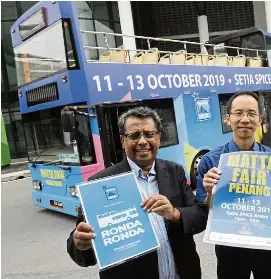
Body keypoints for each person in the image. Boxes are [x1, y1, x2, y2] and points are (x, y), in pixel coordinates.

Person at [67, 107, 208, 279]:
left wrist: (175, 213)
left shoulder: (174, 171)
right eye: (134, 135)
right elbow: (83, 246)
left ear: (158, 137)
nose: (142, 141)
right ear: (122, 141)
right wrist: (80, 242)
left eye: (149, 134)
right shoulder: (99, 184)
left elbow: (199, 217)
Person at [196, 92, 271, 279]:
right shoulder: (211, 161)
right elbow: (204, 210)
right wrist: (209, 192)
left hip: (268, 243)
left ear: (260, 119)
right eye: (238, 113)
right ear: (227, 118)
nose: (245, 119)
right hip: (229, 246)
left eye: (251, 114)